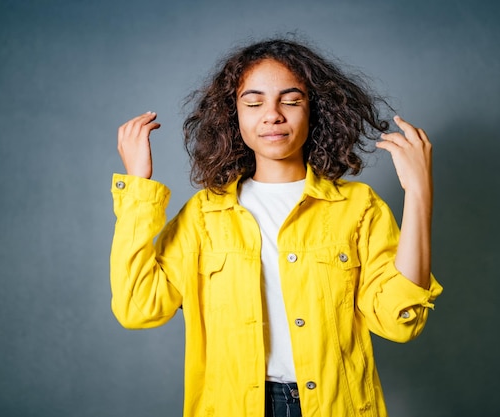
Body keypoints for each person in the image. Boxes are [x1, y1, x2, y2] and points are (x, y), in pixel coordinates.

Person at [110, 37, 443, 417]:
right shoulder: (203, 215)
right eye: (253, 103)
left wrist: (419, 193)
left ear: (314, 110)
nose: (272, 114)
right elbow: (138, 307)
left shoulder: (359, 207)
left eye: (290, 100)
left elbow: (400, 322)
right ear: (232, 115)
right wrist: (137, 184)